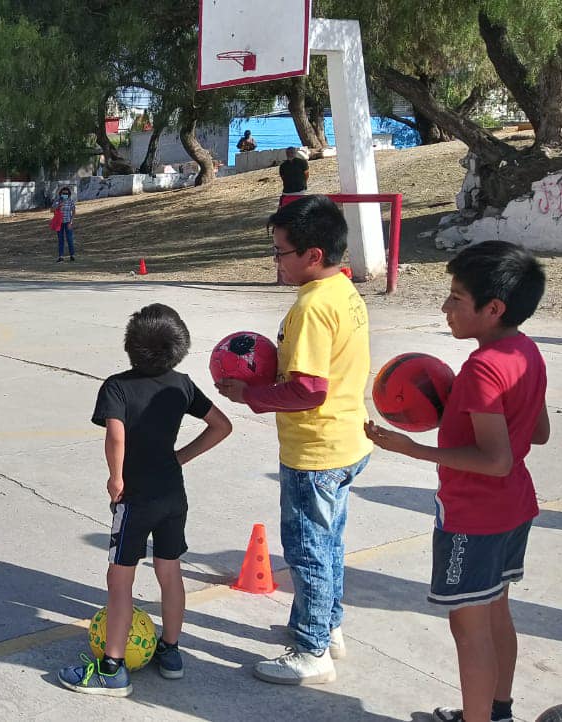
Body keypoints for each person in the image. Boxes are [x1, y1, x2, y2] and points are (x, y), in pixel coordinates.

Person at [366, 241, 548, 722]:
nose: (445, 308)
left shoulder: (482, 367)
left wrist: (413, 448)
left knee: (470, 631)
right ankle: (497, 711)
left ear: (493, 309)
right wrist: (465, 415)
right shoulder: (526, 351)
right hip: (515, 509)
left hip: (474, 516)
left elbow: (495, 460)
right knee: (495, 614)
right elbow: (540, 432)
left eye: (456, 298)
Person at [215, 194, 372, 685]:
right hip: (346, 443)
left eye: (281, 252)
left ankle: (311, 650)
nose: (275, 262)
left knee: (307, 549)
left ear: (313, 256)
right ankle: (329, 627)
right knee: (328, 545)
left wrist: (252, 394)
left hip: (315, 452)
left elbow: (308, 389)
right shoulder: (345, 292)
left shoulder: (312, 306)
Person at [58, 303, 233, 695]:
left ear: (130, 345)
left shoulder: (117, 386)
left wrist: (116, 478)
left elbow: (115, 435)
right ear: (179, 346)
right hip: (173, 495)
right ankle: (170, 652)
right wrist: (181, 457)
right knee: (170, 573)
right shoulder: (182, 384)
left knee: (119, 580)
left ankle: (112, 669)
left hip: (135, 498)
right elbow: (222, 425)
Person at [53, 187, 77, 262]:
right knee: (60, 239)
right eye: (64, 193)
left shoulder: (70, 201)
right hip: (59, 223)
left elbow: (73, 212)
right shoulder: (57, 200)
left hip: (68, 222)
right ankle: (61, 256)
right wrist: (59, 205)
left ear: (69, 194)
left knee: (69, 239)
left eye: (66, 193)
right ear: (61, 194)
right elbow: (51, 210)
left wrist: (71, 222)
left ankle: (72, 255)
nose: (65, 195)